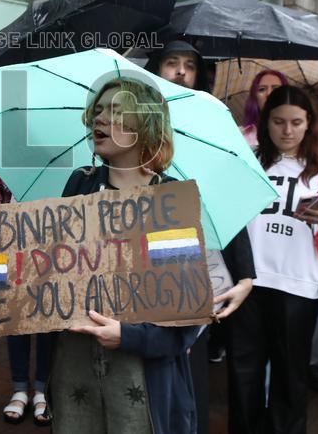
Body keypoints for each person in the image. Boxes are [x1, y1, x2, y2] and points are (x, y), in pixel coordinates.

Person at [51, 77, 201, 434]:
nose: (100, 119)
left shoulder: (171, 201)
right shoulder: (80, 184)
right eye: (98, 110)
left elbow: (187, 320)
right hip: (76, 370)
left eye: (117, 111)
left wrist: (129, 337)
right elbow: (51, 274)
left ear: (145, 125)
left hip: (142, 379)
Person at [227, 85, 318, 433]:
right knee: (243, 373)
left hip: (298, 285)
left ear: (309, 123)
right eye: (279, 121)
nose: (287, 131)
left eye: (296, 122)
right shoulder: (247, 160)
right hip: (247, 282)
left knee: (290, 375)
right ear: (265, 122)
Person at [148, 39, 255, 429]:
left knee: (189, 369)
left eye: (188, 65)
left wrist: (245, 274)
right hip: (137, 261)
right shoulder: (132, 115)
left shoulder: (213, 117)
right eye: (171, 63)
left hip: (196, 260)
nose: (180, 71)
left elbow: (230, 196)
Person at [0, 166, 54, 426]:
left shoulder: (72, 167)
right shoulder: (4, 161)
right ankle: (19, 388)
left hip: (53, 250)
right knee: (15, 320)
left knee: (50, 320)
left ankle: (42, 389)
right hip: (12, 246)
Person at [241, 69, 289, 146]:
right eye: (262, 89)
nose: (269, 94)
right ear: (255, 97)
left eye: (276, 89)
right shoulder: (240, 137)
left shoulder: (302, 136)